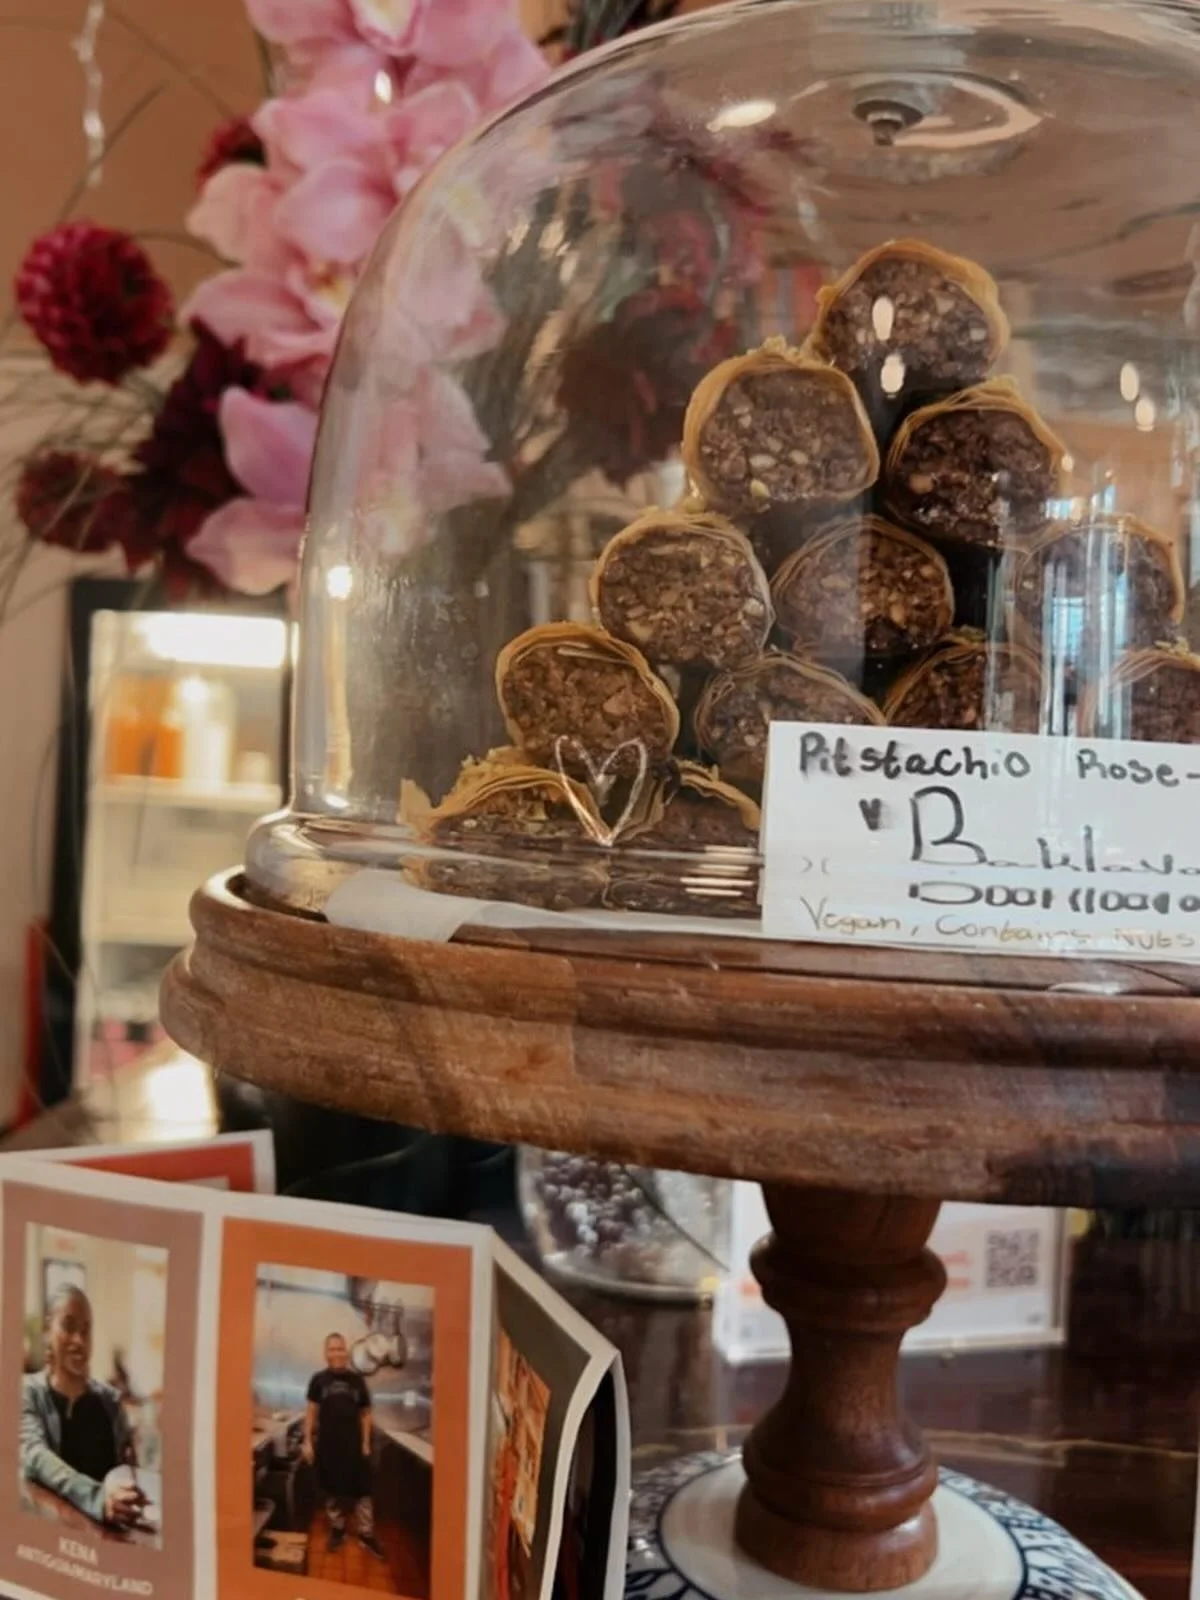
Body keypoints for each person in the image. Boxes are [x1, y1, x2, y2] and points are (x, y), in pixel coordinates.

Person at [20, 1286, 145, 1529]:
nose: (79, 1340)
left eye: (86, 1331)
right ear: (47, 1331)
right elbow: (36, 1457)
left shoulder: (111, 1403)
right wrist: (98, 1499)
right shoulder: (28, 1393)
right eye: (68, 1326)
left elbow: (126, 1474)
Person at [302, 1333, 385, 1559]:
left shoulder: (357, 1381)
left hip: (354, 1446)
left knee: (363, 1491)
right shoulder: (318, 1380)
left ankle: (366, 1535)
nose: (337, 1353)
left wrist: (366, 1443)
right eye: (332, 1349)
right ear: (325, 1353)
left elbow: (366, 1414)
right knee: (331, 1491)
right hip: (328, 1446)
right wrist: (307, 1440)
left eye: (340, 1349)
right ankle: (338, 1530)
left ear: (346, 1352)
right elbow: (311, 1412)